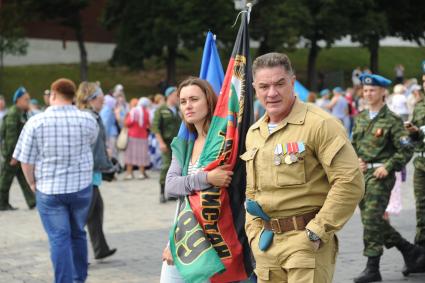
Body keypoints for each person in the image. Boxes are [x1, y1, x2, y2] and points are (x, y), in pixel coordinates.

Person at [243, 52, 364, 283]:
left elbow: (350, 181)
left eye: (280, 84)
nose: (272, 93)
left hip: (306, 244)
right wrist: (253, 234)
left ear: (292, 81)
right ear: (255, 90)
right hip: (266, 245)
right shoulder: (254, 133)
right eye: (264, 86)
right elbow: (252, 191)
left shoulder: (321, 124)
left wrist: (318, 230)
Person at [13, 78, 98, 283]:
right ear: (72, 97)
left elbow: (25, 160)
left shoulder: (36, 122)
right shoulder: (88, 120)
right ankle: (79, 278)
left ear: (52, 95)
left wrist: (32, 183)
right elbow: (92, 143)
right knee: (77, 232)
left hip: (49, 189)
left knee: (59, 238)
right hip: (81, 189)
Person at [352, 74, 425, 282]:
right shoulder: (361, 118)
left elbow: (407, 148)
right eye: (365, 91)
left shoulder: (392, 120)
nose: (368, 94)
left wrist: (389, 166)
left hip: (381, 176)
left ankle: (372, 267)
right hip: (362, 175)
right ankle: (409, 250)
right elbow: (353, 145)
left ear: (383, 92)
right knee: (371, 219)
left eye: (372, 90)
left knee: (372, 219)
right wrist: (356, 159)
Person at [160, 77, 233, 282]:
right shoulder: (185, 145)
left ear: (209, 101)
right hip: (184, 234)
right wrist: (207, 178)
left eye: (194, 99)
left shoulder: (223, 142)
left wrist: (193, 183)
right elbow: (171, 186)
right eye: (183, 101)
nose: (188, 106)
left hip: (217, 237)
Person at [76, 82, 117, 261]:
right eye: (101, 99)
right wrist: (107, 165)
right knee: (83, 217)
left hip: (90, 173)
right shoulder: (90, 117)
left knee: (96, 210)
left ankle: (101, 249)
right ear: (92, 99)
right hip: (88, 174)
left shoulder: (88, 115)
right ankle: (76, 256)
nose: (103, 102)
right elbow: (93, 149)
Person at [0, 87, 35, 211]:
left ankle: (33, 202)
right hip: (12, 155)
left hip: (19, 154)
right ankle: (2, 204)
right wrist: (13, 156)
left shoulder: (21, 113)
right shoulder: (13, 114)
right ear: (18, 100)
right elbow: (10, 138)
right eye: (26, 100)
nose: (28, 102)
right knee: (5, 180)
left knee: (24, 179)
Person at [405, 74, 425, 253]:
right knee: (421, 206)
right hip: (420, 163)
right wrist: (413, 132)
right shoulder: (419, 107)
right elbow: (416, 137)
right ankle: (420, 248)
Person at [151, 86, 181, 203]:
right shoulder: (161, 109)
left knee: (178, 167)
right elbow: (155, 127)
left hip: (178, 143)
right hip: (166, 143)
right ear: (169, 96)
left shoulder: (178, 109)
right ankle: (162, 192)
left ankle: (172, 192)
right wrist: (161, 142)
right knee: (166, 166)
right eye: (175, 95)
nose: (177, 98)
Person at [124, 97, 151, 180]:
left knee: (130, 154)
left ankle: (129, 174)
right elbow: (148, 124)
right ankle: (141, 173)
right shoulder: (146, 112)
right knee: (142, 155)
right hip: (143, 136)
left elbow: (127, 123)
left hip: (132, 136)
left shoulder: (133, 111)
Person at [100, 94, 119, 159]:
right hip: (110, 134)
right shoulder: (107, 110)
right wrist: (105, 136)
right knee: (112, 153)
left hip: (109, 133)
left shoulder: (106, 109)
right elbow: (105, 124)